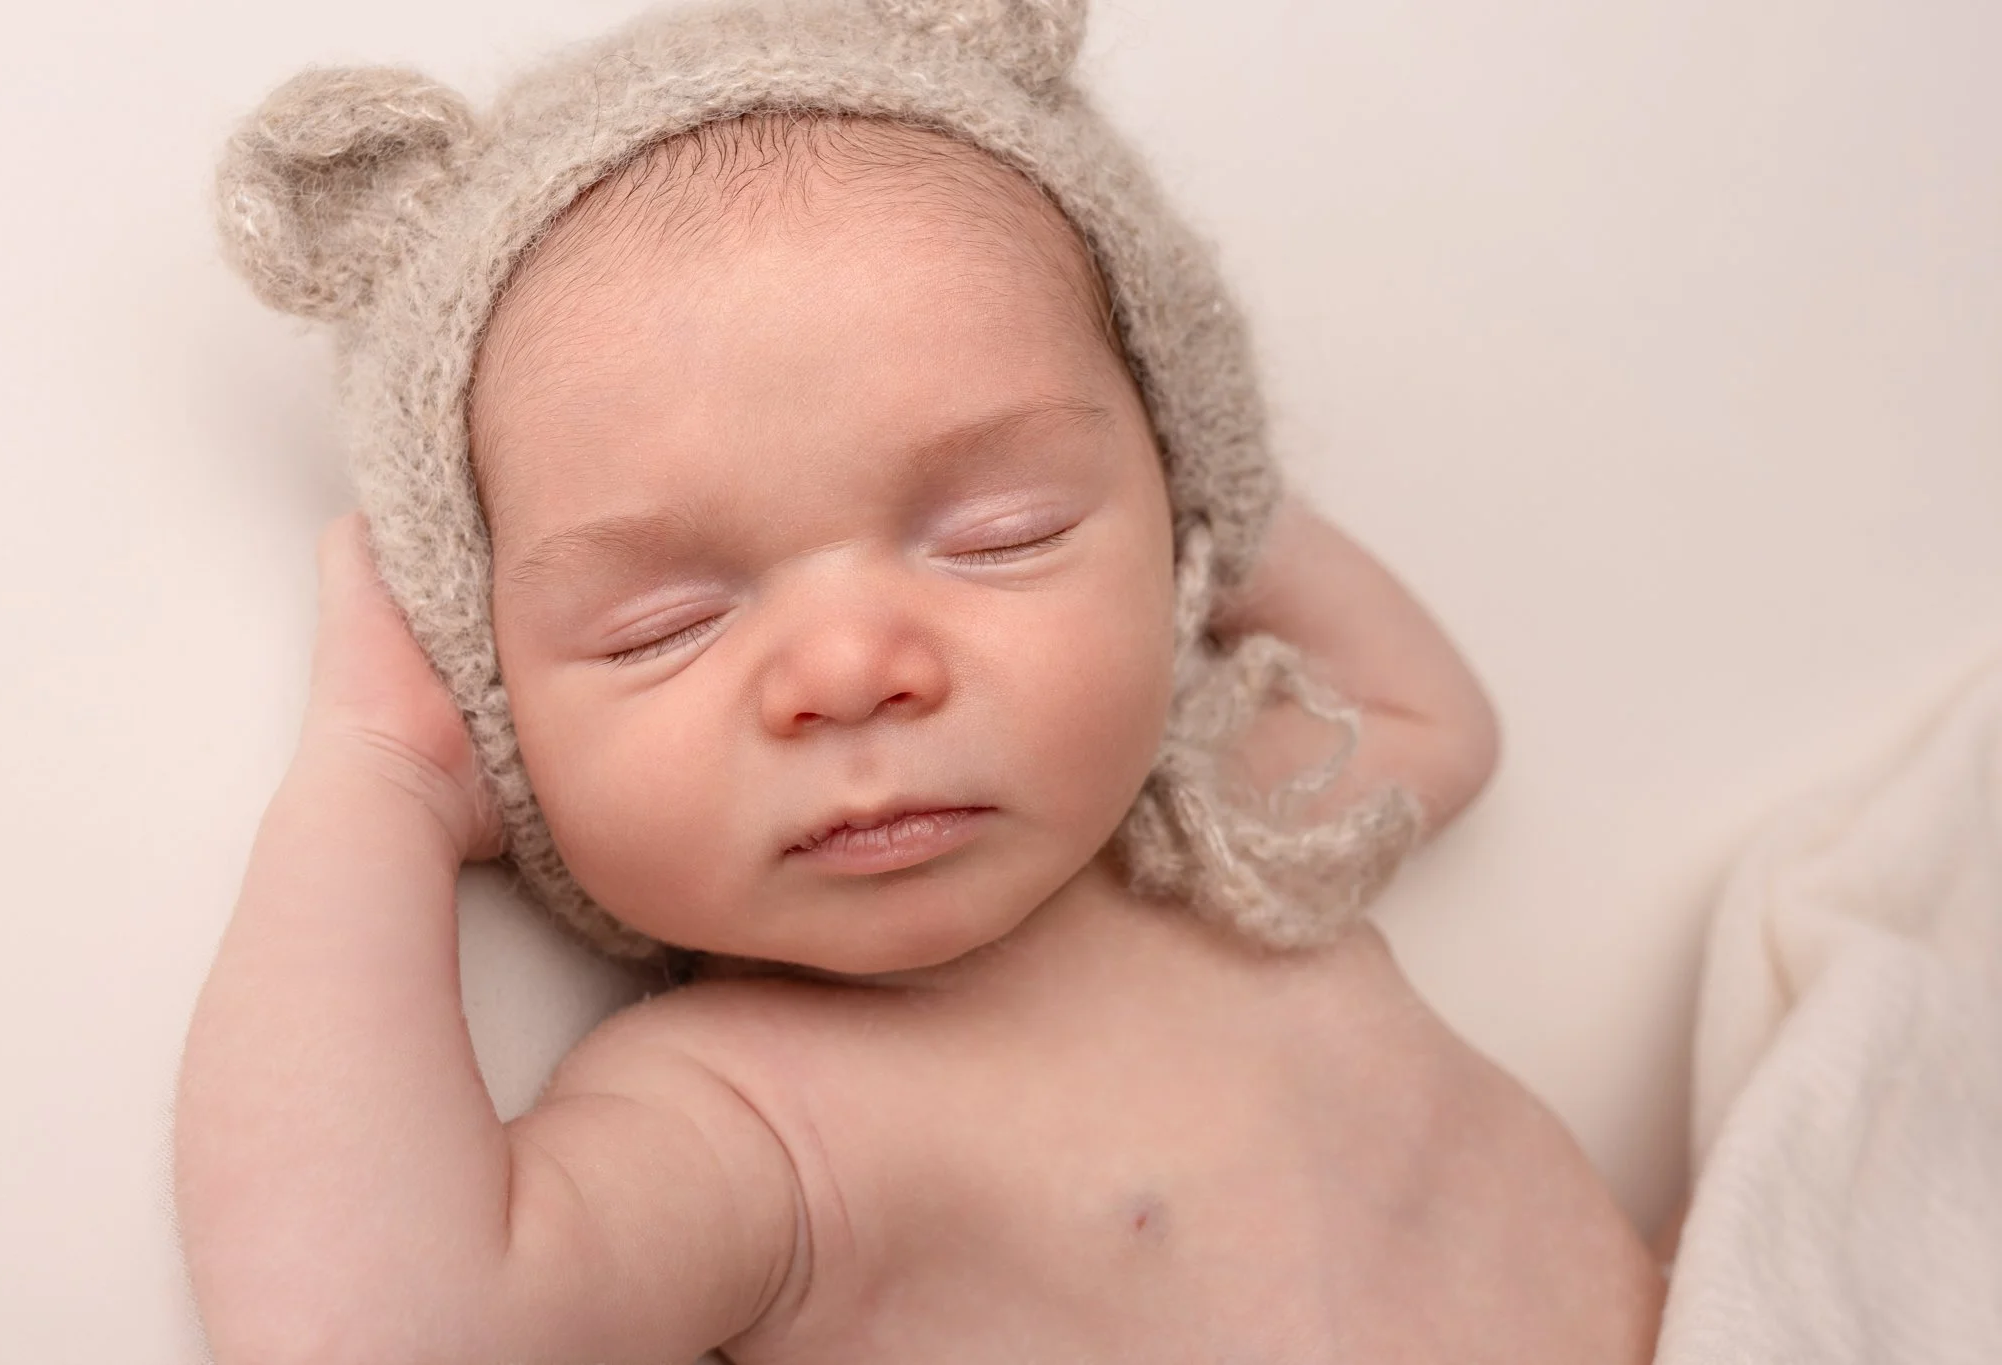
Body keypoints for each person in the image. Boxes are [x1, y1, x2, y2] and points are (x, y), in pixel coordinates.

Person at [175, 3, 1666, 1360]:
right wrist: (378, 780)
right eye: (663, 627)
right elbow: (375, 1328)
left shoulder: (1213, 848)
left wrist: (1204, 468)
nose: (849, 673)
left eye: (1003, 535)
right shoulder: (754, 1121)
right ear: (503, 714)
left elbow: (1435, 722)